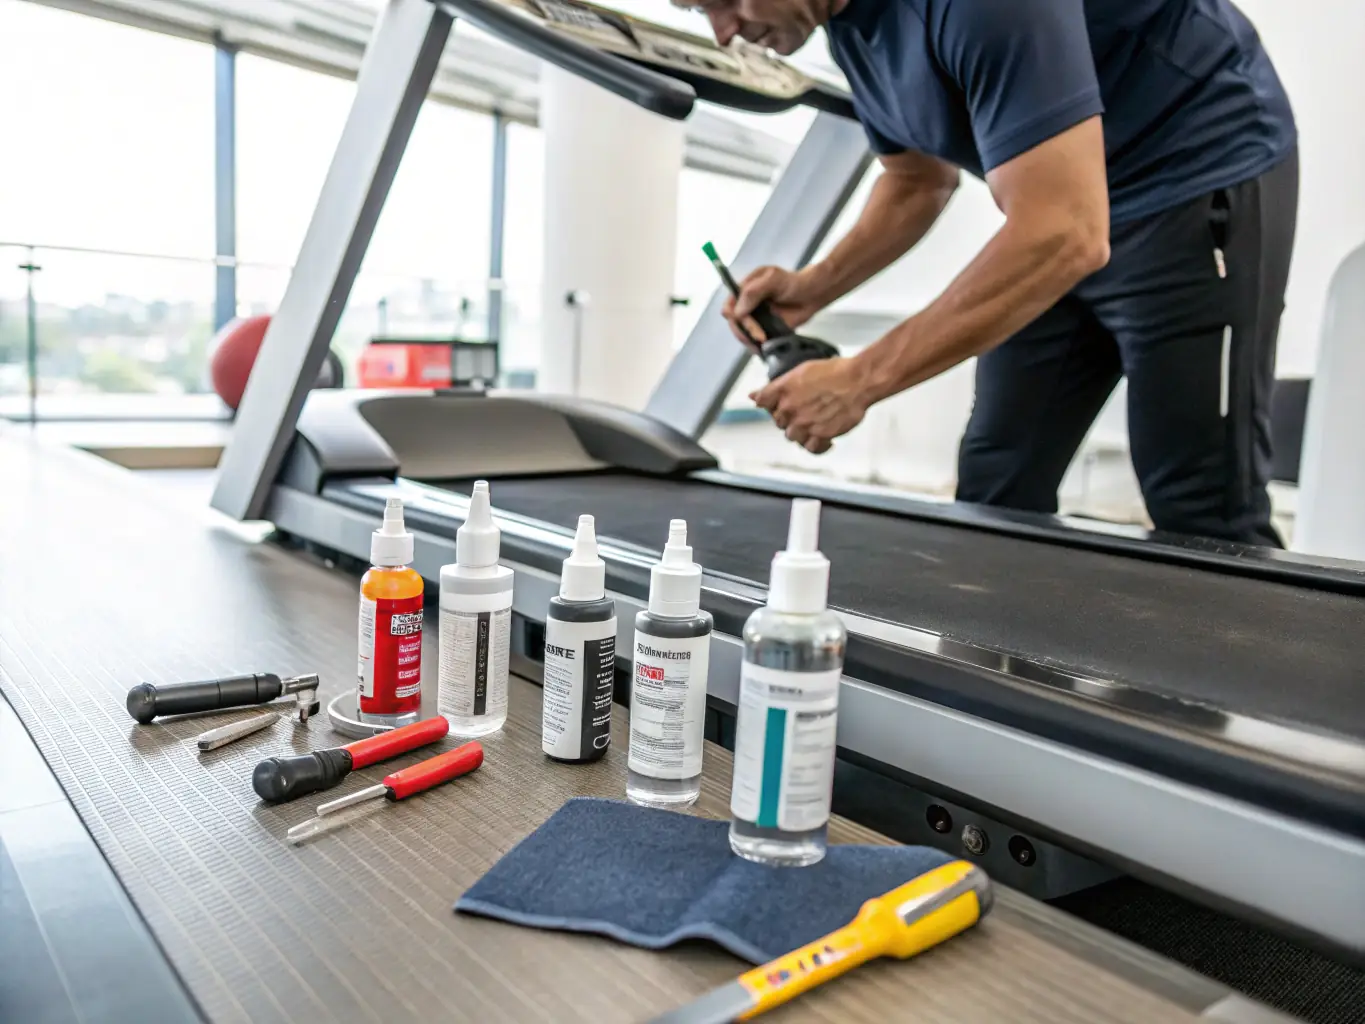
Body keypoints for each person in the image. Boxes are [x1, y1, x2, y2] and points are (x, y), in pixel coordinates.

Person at [681, 0, 1298, 546]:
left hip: (1193, 178)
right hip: (1068, 212)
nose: (723, 32)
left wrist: (859, 380)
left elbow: (1065, 233)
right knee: (997, 479)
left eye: (724, 0)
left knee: (1200, 505)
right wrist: (813, 287)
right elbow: (916, 180)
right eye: (698, 12)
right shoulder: (850, 28)